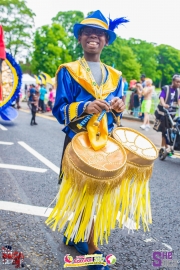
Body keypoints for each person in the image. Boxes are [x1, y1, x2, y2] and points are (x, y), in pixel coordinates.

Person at [45, 10, 128, 270]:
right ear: (80, 38)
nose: (93, 36)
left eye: (99, 33)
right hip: (77, 142)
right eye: (88, 32)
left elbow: (119, 109)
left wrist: (118, 105)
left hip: (105, 142)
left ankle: (77, 236)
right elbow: (59, 110)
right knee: (82, 192)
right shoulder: (68, 71)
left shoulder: (116, 76)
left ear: (106, 40)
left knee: (98, 195)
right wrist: (85, 106)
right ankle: (91, 250)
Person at [154, 74, 180, 155]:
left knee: (169, 131)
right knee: (164, 131)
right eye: (177, 82)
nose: (179, 83)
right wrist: (164, 104)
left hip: (171, 114)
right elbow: (161, 97)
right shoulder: (166, 88)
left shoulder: (178, 90)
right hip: (163, 113)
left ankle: (165, 148)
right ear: (173, 81)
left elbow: (179, 101)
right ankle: (165, 148)